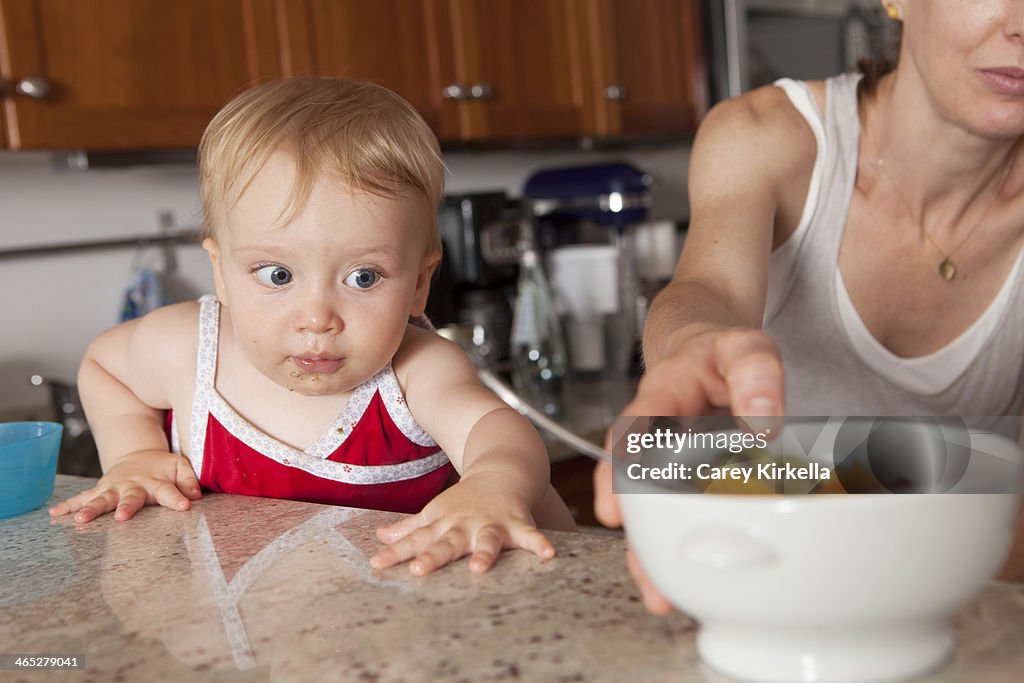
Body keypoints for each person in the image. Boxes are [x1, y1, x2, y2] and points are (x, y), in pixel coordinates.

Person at [595, 0, 1024, 613]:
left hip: (970, 613)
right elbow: (707, 291)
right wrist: (692, 348)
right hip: (763, 587)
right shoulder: (768, 136)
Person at [50, 76, 576, 575]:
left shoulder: (419, 372)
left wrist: (493, 485)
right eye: (278, 275)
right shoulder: (187, 349)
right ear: (222, 274)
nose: (317, 318)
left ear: (419, 284)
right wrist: (134, 454)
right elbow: (104, 365)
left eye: (363, 277)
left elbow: (500, 433)